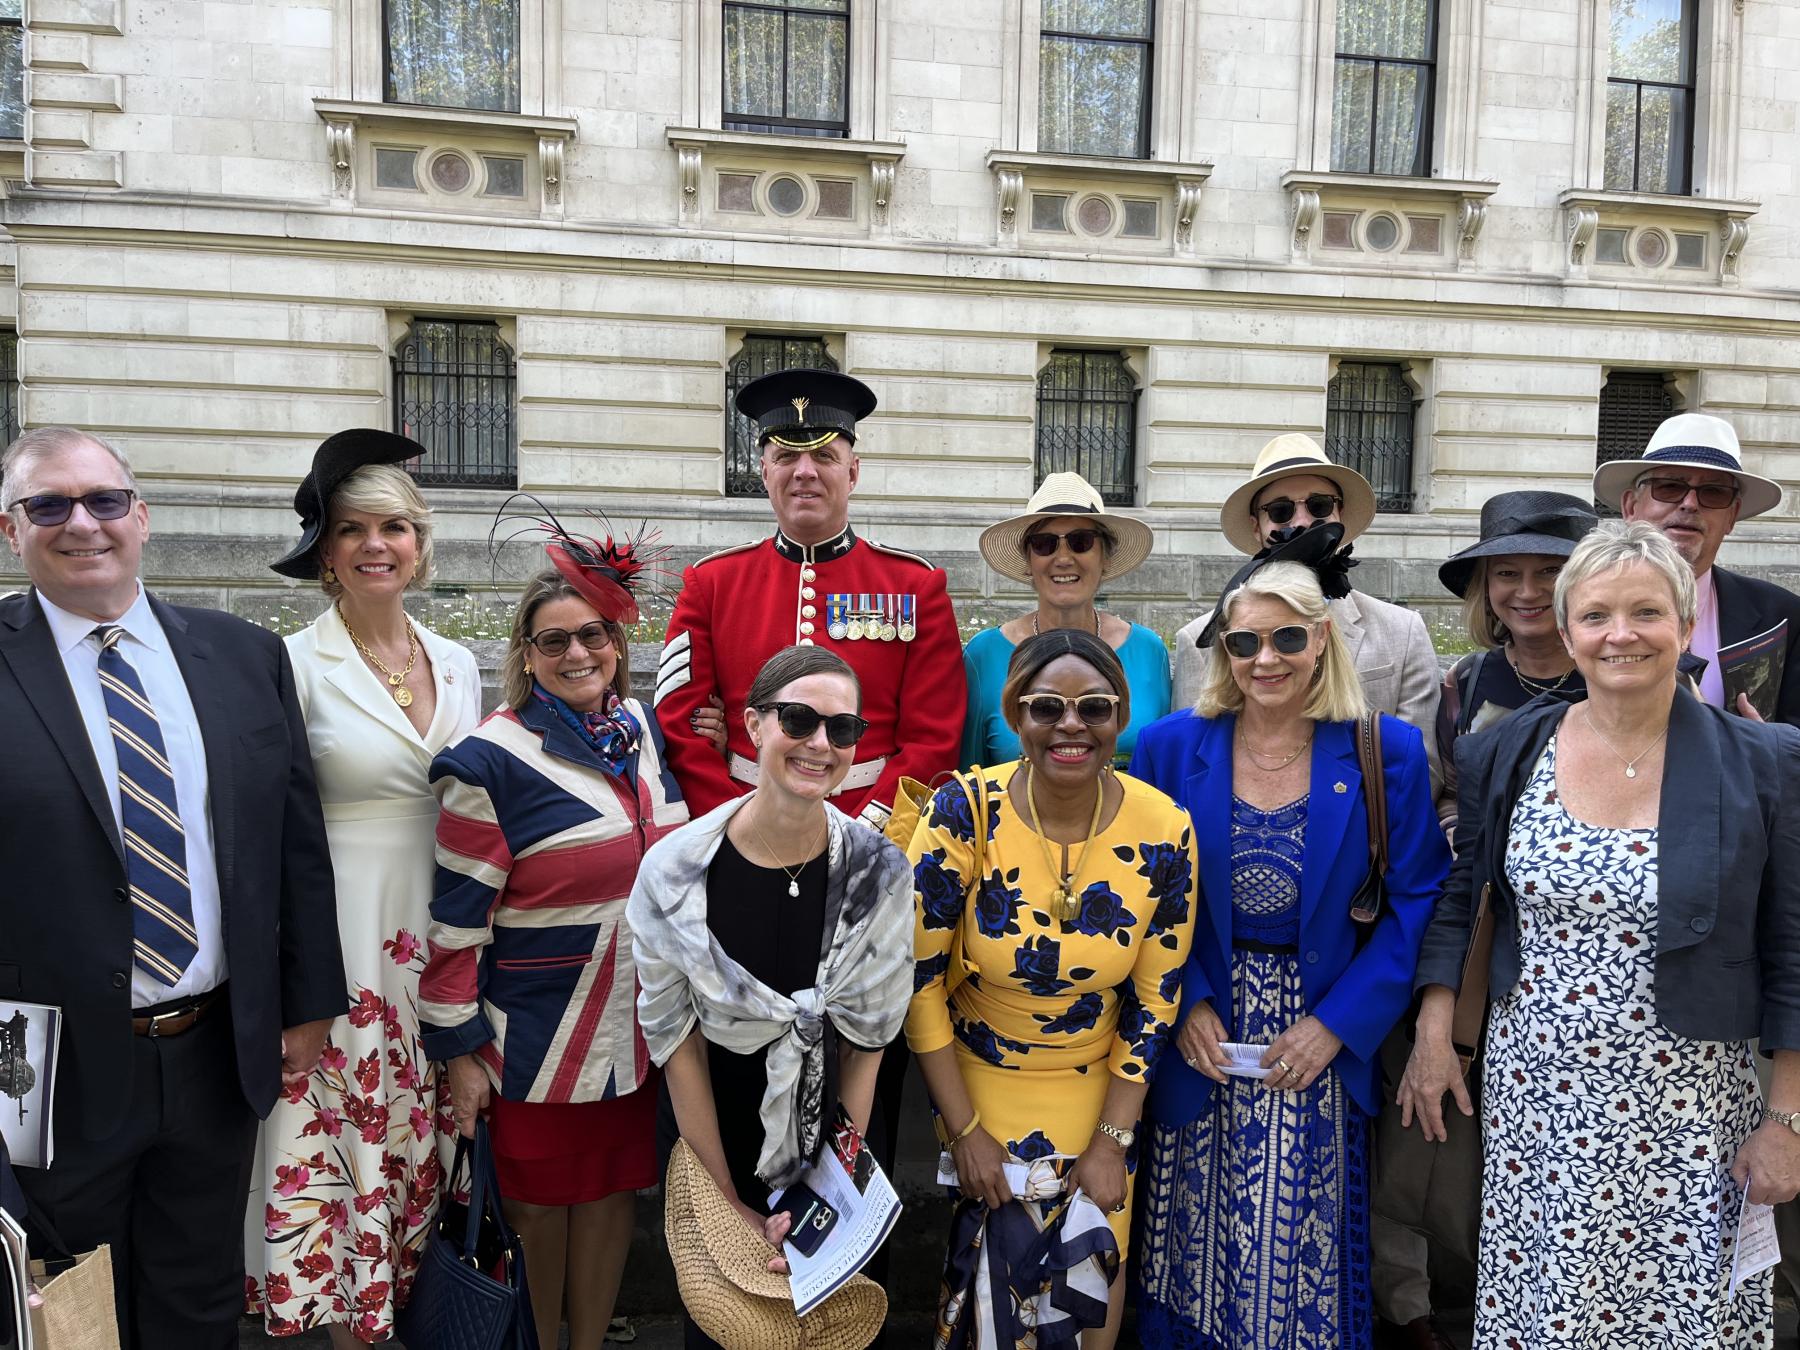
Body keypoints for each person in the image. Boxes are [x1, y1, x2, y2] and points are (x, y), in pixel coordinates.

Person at [1402, 520, 1800, 1347]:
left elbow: (1793, 951)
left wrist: (1786, 1123)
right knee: (1551, 1305)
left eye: (1646, 613)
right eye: (1596, 616)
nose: (1621, 635)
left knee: (1680, 1312)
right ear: (1568, 629)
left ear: (1685, 626)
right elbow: (1461, 903)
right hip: (1538, 1101)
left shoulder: (1764, 760)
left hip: (1691, 1111)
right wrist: (1436, 1032)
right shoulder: (1508, 749)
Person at [0, 426, 345, 1350]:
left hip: (213, 1053)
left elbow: (293, 845)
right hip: (49, 1070)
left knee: (199, 1298)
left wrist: (309, 1004)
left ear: (141, 517)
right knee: (72, 1309)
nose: (83, 524)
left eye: (104, 500)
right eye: (49, 506)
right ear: (11, 530)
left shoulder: (242, 656)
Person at [1131, 526, 1449, 1350]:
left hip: (1317, 1030)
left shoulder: (1389, 751)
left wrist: (1337, 1024)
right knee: (1186, 1243)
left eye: (1286, 639)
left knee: (1300, 1249)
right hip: (1199, 1027)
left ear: (1322, 642)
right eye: (1243, 641)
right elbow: (1144, 889)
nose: (1264, 659)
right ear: (1223, 651)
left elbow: (1416, 898)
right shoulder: (1169, 748)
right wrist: (1188, 1000)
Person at [420, 516, 688, 1350]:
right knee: (534, 1216)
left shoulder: (638, 734)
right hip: (534, 1038)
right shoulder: (487, 763)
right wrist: (462, 1055)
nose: (578, 654)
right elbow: (456, 928)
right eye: (553, 641)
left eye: (594, 635)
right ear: (526, 655)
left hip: (632, 1033)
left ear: (617, 640)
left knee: (612, 1201)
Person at [245, 431, 483, 1344]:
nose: (376, 545)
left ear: (420, 542)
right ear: (325, 552)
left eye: (394, 526)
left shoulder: (459, 661)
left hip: (448, 937)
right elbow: (265, 833)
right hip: (339, 942)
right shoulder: (292, 665)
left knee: (430, 1148)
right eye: (352, 530)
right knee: (345, 1155)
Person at [908, 628, 1197, 1348]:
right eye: (1047, 708)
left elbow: (1157, 1000)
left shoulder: (1165, 828)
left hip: (1098, 1086)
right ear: (1014, 716)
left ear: (1121, 716)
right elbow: (915, 983)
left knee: (1094, 1265)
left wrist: (1111, 1139)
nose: (1071, 726)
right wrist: (965, 1131)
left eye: (1094, 708)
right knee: (989, 1286)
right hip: (977, 1081)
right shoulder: (963, 813)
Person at [630, 645, 914, 1349]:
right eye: (799, 720)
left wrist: (822, 1198)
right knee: (729, 1328)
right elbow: (677, 1044)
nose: (821, 744)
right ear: (754, 726)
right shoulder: (673, 872)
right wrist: (727, 1204)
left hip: (836, 1139)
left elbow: (867, 1045)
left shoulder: (880, 871)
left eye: (842, 729)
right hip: (713, 1132)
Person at [1366, 491, 1597, 1348]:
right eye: (1510, 573)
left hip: (1583, 937)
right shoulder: (1466, 685)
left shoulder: (1619, 663)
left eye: (1549, 573)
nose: (1528, 591)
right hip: (1472, 916)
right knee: (1422, 1097)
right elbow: (1437, 798)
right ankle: (1410, 1297)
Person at [654, 368, 966, 834]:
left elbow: (934, 736)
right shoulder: (712, 583)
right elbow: (679, 726)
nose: (805, 472)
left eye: (824, 455)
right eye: (785, 457)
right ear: (763, 471)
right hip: (742, 816)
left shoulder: (913, 585)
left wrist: (872, 830)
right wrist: (730, 824)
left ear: (853, 472)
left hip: (870, 822)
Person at [1172, 434, 1439, 784]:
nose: (1300, 522)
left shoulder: (1402, 632)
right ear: (1257, 526)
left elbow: (1422, 772)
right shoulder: (1200, 641)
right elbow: (1190, 763)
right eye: (1280, 510)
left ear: (1338, 513)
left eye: (1318, 506)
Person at [1597, 411, 1800, 725]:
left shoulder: (1781, 617)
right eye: (1668, 487)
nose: (1690, 503)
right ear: (1631, 507)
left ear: (1731, 517)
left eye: (1713, 493)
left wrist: (1771, 750)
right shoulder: (1582, 607)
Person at [961, 472, 1169, 770]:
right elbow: (971, 772)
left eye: (1080, 541)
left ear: (1104, 556)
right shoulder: (984, 654)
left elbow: (1165, 766)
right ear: (1029, 561)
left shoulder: (1148, 651)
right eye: (1044, 544)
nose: (1063, 558)